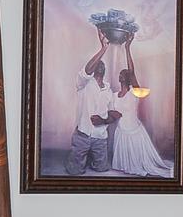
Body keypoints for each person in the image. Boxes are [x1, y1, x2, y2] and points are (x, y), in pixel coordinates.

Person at [108, 68, 176, 178]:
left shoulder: (134, 93)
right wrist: (114, 113)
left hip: (134, 130)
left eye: (124, 74)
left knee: (140, 164)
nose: (121, 75)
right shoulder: (114, 95)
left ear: (129, 78)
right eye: (120, 73)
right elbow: (110, 112)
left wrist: (127, 50)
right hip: (121, 130)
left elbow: (132, 70)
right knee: (123, 169)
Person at [67, 35, 115, 174]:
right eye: (97, 63)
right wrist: (104, 48)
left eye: (102, 63)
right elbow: (87, 70)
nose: (100, 64)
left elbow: (112, 113)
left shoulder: (108, 90)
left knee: (102, 169)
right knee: (74, 172)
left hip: (100, 137)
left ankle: (94, 161)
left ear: (104, 70)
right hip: (83, 135)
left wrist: (104, 120)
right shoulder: (84, 83)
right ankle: (74, 160)